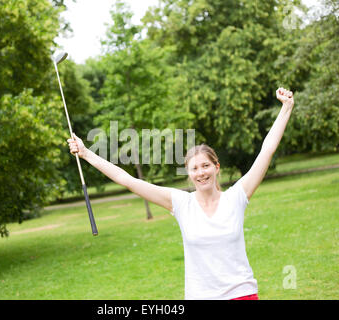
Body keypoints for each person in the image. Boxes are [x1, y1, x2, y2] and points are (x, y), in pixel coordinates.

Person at [67, 87, 294, 300]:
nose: (201, 173)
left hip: (241, 294)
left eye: (205, 166)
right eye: (194, 168)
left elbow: (267, 149)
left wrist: (286, 108)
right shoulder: (181, 203)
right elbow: (128, 181)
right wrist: (86, 153)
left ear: (216, 168)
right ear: (188, 174)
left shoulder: (236, 197)